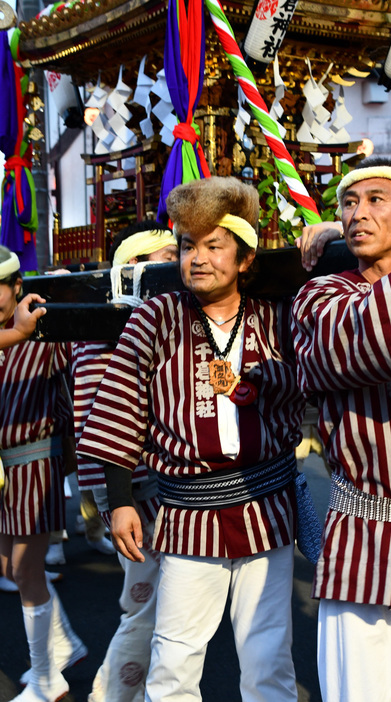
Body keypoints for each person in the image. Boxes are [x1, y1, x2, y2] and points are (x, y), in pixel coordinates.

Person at [77, 176, 306, 702]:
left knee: (268, 655)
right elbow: (120, 403)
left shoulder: (277, 317)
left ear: (246, 258)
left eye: (213, 245)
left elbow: (318, 376)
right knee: (174, 659)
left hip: (265, 507)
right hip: (187, 514)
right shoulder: (156, 317)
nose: (197, 258)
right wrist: (119, 501)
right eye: (187, 245)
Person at [291, 156, 391, 702]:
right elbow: (367, 334)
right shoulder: (319, 298)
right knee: (363, 693)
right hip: (367, 529)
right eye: (348, 203)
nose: (358, 213)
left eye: (377, 200)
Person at [73, 220, 178, 702]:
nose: (179, 265)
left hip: (137, 485)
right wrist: (118, 498)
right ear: (132, 269)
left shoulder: (120, 319)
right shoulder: (112, 325)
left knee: (161, 609)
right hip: (135, 488)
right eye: (166, 258)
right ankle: (112, 696)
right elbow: (107, 419)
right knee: (147, 608)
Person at [0, 245, 87, 702]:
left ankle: (46, 680)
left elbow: (74, 376)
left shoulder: (44, 328)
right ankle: (63, 645)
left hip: (35, 457)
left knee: (25, 570)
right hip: (2, 467)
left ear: (18, 286)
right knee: (8, 569)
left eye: (0, 286)